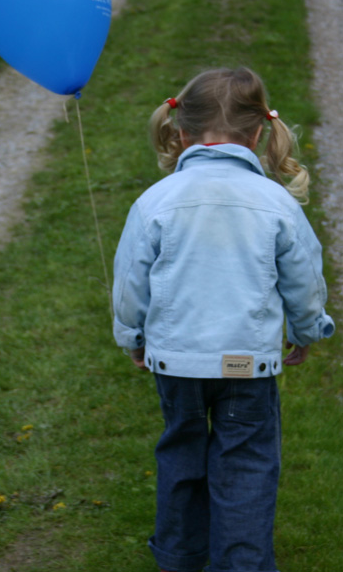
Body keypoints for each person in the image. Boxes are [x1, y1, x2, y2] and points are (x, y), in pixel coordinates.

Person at [112, 67, 335, 572]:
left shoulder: (155, 202)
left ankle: (180, 559)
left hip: (178, 364)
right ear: (258, 133)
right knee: (246, 465)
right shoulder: (275, 202)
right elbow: (304, 280)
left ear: (182, 131)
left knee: (182, 456)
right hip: (244, 366)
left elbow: (130, 282)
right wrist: (305, 331)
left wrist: (134, 337)